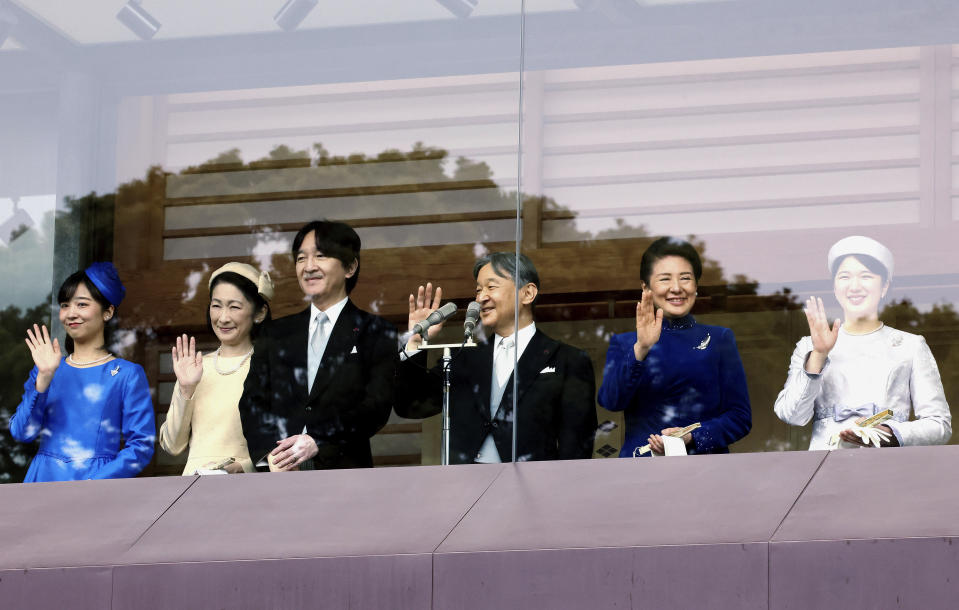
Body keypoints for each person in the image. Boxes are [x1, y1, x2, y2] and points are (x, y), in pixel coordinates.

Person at [395, 252, 597, 463]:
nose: (481, 297)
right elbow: (411, 406)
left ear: (528, 293)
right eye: (478, 290)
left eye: (491, 287)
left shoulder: (568, 360)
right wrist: (415, 341)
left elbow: (577, 444)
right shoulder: (464, 357)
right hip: (468, 489)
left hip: (536, 489)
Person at [238, 220, 397, 470]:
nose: (309, 267)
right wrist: (271, 456)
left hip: (344, 473)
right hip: (279, 475)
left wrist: (318, 439)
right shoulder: (276, 333)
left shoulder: (375, 331)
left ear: (350, 266)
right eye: (301, 259)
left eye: (320, 256)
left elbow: (375, 407)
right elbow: (253, 403)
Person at [774, 235, 951, 449]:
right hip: (823, 469)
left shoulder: (911, 345)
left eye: (866, 276)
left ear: (884, 286)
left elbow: (939, 425)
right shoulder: (808, 346)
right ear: (834, 287)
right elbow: (792, 416)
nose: (854, 286)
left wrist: (891, 433)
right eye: (845, 277)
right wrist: (819, 354)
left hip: (888, 469)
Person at [597, 237, 751, 457]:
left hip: (705, 470)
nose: (676, 288)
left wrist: (691, 437)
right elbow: (610, 401)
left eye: (685, 278)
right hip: (641, 471)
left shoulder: (719, 338)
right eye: (665, 279)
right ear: (646, 287)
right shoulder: (625, 344)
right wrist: (641, 348)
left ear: (696, 286)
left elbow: (740, 417)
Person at [9, 262, 155, 482]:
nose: (71, 314)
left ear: (108, 312)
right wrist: (44, 377)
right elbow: (22, 433)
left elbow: (141, 446)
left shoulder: (127, 374)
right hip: (42, 482)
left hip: (95, 483)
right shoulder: (48, 368)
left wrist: (94, 483)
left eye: (82, 304)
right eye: (65, 305)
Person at [159, 262, 273, 474]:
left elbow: (280, 445)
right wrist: (186, 388)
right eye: (216, 305)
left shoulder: (272, 367)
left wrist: (242, 467)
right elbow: (172, 446)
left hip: (250, 488)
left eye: (234, 307)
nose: (223, 317)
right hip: (194, 488)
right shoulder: (196, 368)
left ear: (259, 313)